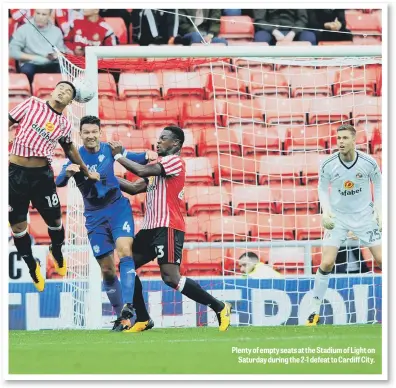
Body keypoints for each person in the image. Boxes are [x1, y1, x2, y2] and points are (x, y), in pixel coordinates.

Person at [109, 126, 232, 332]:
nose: (158, 142)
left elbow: (140, 170)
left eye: (163, 139)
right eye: (158, 138)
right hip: (150, 229)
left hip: (168, 227)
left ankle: (219, 307)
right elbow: (133, 187)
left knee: (170, 278)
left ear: (175, 144)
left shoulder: (174, 162)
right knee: (126, 267)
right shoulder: (158, 167)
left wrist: (118, 156)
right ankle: (144, 319)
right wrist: (102, 177)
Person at [55, 115, 157, 331]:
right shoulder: (75, 157)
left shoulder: (110, 149)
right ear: (80, 135)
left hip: (117, 208)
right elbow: (59, 181)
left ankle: (129, 307)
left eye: (94, 132)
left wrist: (148, 155)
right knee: (107, 270)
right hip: (94, 216)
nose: (91, 136)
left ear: (100, 133)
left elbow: (136, 158)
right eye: (86, 132)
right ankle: (123, 317)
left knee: (125, 252)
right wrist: (68, 173)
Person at [8, 82, 100, 292]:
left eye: (68, 91)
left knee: (56, 222)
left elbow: (70, 149)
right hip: (15, 175)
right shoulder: (31, 104)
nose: (62, 91)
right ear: (52, 90)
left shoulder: (64, 124)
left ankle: (57, 251)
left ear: (70, 100)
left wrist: (86, 171)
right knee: (18, 228)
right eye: (60, 87)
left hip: (42, 177)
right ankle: (33, 267)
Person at [306, 124, 382, 326]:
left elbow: (380, 185)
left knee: (383, 260)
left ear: (354, 140)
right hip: (338, 218)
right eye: (338, 138)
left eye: (345, 138)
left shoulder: (368, 162)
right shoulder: (329, 164)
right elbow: (322, 189)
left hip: (365, 217)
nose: (340, 142)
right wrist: (326, 211)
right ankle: (314, 309)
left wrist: (380, 211)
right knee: (328, 262)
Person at [9, 9, 67, 83]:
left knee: (63, 71)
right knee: (27, 71)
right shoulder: (23, 29)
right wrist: (35, 58)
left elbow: (62, 53)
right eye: (38, 13)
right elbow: (13, 52)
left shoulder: (57, 31)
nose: (40, 17)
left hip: (50, 63)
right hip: (30, 63)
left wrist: (56, 55)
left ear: (49, 16)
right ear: (34, 13)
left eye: (44, 14)